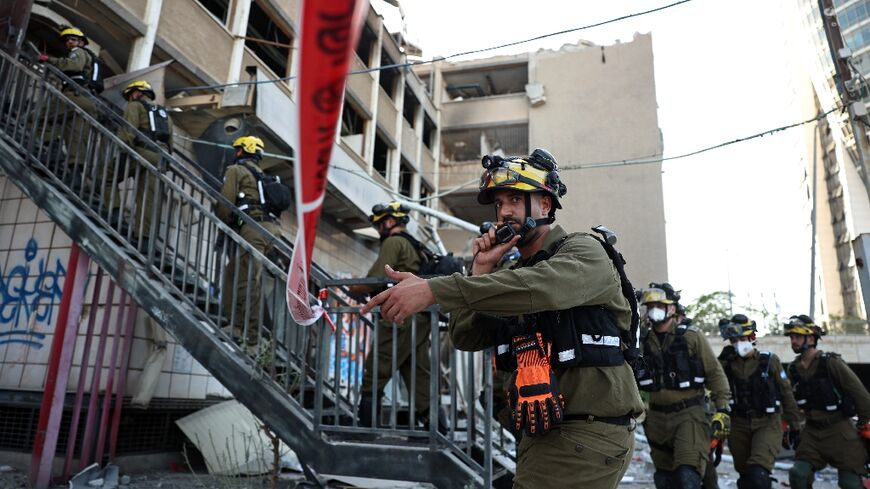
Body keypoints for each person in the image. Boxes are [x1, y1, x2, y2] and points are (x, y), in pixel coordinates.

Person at [362, 149, 645, 488]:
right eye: (498, 204)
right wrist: (480, 267)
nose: (504, 211)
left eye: (515, 198)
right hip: (543, 432)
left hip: (586, 432)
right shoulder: (509, 274)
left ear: (545, 205)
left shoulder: (583, 250)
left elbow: (541, 288)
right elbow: (466, 336)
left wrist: (436, 289)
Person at [347, 202, 434, 429]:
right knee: (418, 375)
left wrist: (352, 288)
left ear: (388, 222)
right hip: (420, 318)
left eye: (379, 225)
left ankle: (366, 432)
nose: (379, 230)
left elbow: (375, 277)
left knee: (376, 369)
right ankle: (438, 431)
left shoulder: (394, 242)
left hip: (400, 316)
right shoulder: (416, 246)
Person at [637, 283, 731, 489]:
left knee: (686, 476)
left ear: (671, 308)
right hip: (656, 419)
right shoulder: (641, 341)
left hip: (689, 415)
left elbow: (715, 373)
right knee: (665, 480)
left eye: (659, 305)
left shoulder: (691, 337)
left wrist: (722, 408)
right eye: (650, 306)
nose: (654, 310)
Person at [784, 314, 870, 489]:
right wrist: (789, 425)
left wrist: (864, 423)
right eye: (792, 337)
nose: (793, 341)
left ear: (811, 338)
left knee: (850, 483)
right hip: (812, 432)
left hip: (840, 430)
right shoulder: (794, 369)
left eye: (798, 337)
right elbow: (789, 401)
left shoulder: (831, 362)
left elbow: (860, 393)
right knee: (798, 474)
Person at [717, 314, 801, 489]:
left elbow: (786, 394)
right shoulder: (727, 363)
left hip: (767, 423)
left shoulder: (770, 361)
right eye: (734, 340)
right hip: (738, 424)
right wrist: (720, 362)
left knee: (759, 474)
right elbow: (714, 386)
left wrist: (795, 426)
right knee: (746, 476)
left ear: (752, 337)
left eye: (741, 338)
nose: (738, 343)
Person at [215, 136, 281, 356]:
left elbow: (225, 202)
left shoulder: (236, 170)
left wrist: (224, 221)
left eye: (238, 149)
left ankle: (253, 339)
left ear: (243, 151)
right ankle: (235, 323)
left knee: (248, 283)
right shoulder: (261, 175)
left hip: (253, 229)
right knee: (233, 272)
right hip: (270, 230)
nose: (236, 153)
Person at [115, 80, 173, 244]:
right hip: (159, 159)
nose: (131, 99)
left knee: (106, 176)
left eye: (131, 95)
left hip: (140, 153)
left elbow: (129, 131)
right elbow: (171, 142)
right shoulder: (164, 114)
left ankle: (113, 211)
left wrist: (123, 151)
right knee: (147, 198)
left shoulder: (135, 106)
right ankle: (143, 236)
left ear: (137, 93)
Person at [37, 26, 98, 170]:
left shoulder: (78, 52)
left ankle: (53, 150)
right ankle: (75, 172)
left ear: (81, 42)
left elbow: (74, 66)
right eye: (67, 40)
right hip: (87, 99)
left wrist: (50, 60)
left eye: (73, 39)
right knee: (75, 135)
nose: (70, 42)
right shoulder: (89, 56)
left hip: (74, 94)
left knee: (38, 118)